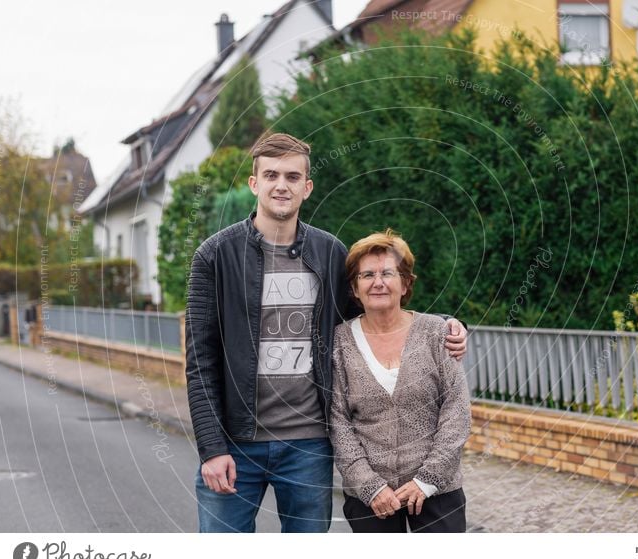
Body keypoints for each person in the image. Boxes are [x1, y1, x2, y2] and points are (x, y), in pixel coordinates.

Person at [185, 133, 467, 533]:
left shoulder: (330, 252)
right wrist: (212, 448)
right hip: (235, 442)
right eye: (271, 175)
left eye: (292, 176)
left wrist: (444, 324)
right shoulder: (214, 256)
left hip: (308, 444)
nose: (281, 185)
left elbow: (372, 311)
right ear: (254, 184)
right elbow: (200, 362)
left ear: (307, 187)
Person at [330, 229, 471, 533]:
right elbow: (337, 421)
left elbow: (457, 411)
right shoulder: (339, 342)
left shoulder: (437, 332)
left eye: (387, 273)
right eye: (367, 275)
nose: (377, 282)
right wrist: (370, 486)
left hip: (438, 492)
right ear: (354, 287)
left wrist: (427, 480)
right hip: (371, 500)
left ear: (405, 283)